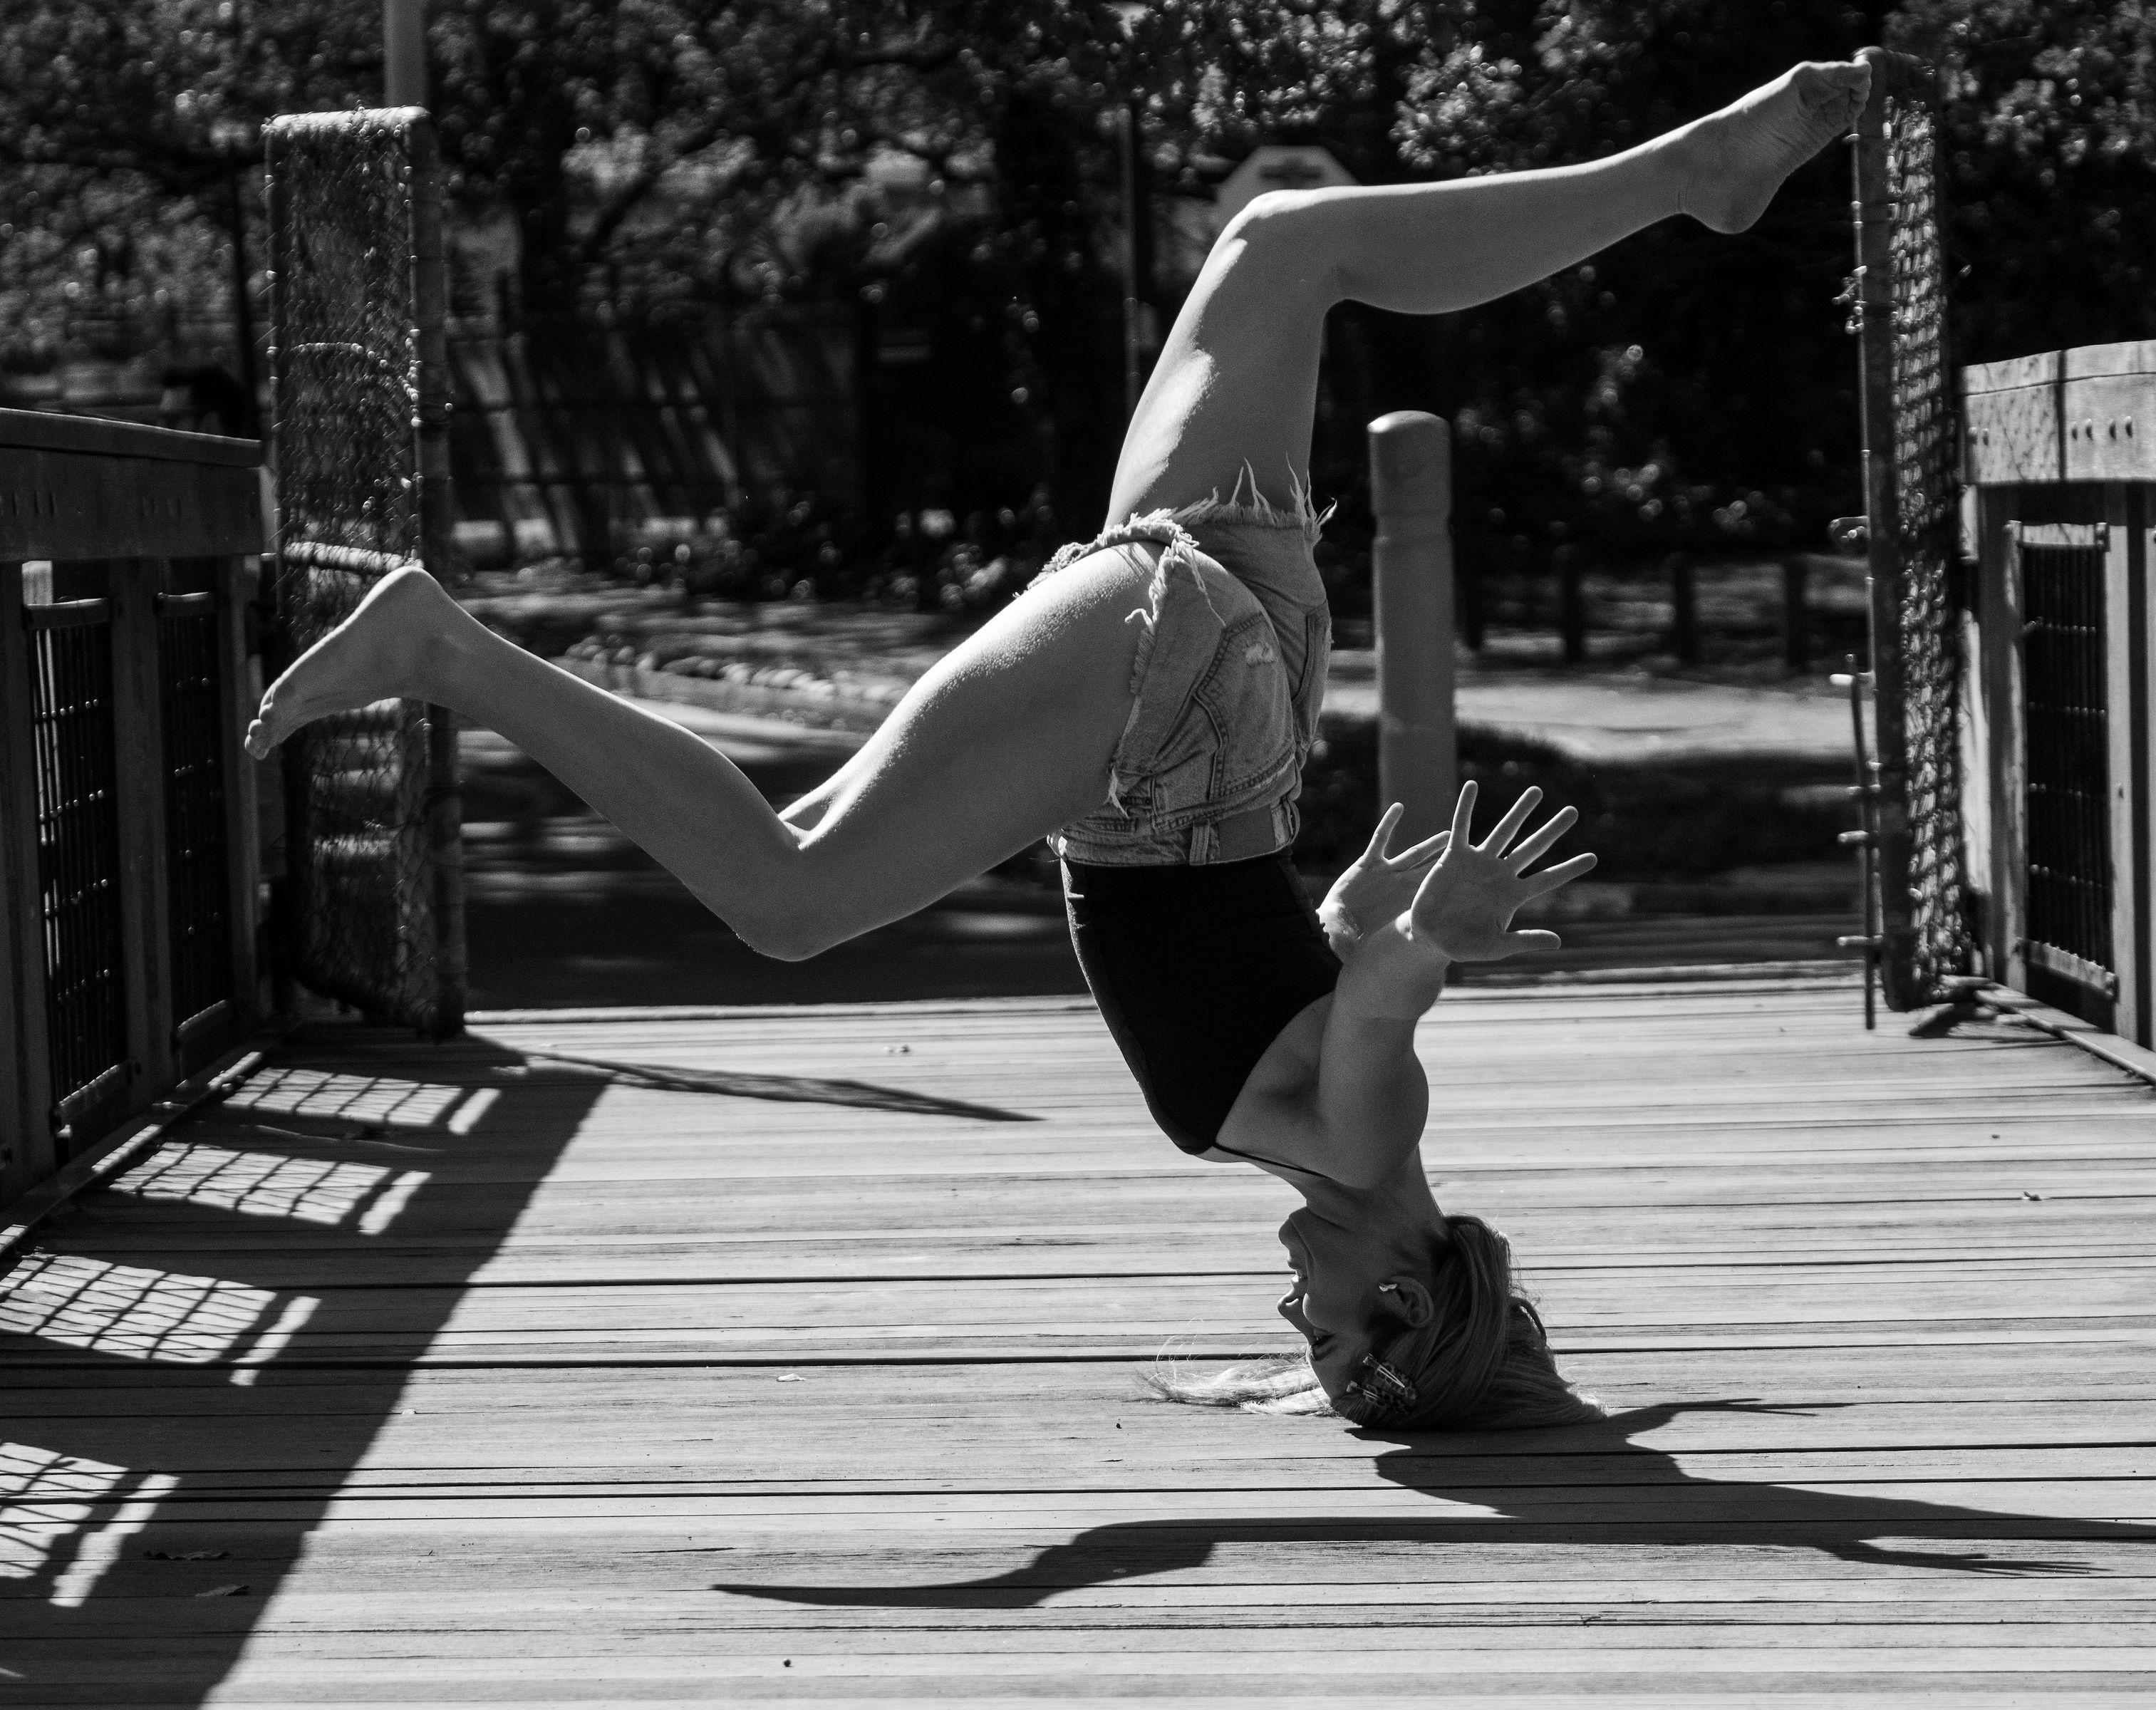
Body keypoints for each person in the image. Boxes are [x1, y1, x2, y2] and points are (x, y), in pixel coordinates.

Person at [247, 56, 1875, 1429]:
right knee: (790, 896)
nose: (1290, 1315)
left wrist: (1351, 923)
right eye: (1325, 1336)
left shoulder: (1331, 1141)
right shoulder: (1374, 1140)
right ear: (1399, 1291)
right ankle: (443, 647)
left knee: (1280, 247)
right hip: (1165, 733)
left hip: (1225, 699)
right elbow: (1378, 1008)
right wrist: (1420, 945)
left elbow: (1286, 973)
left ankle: (1693, 170)